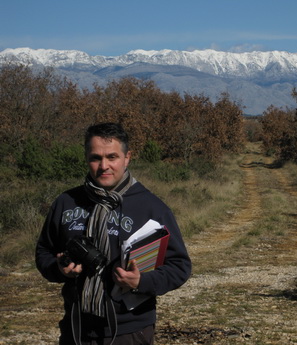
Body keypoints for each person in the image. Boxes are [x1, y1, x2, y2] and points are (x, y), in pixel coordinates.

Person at [35, 122, 192, 345]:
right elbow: (44, 252)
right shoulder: (66, 202)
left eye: (112, 157)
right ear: (86, 157)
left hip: (129, 330)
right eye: (95, 158)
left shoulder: (151, 208)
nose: (104, 166)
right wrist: (60, 270)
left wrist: (141, 281)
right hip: (76, 327)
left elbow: (179, 266)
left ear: (127, 157)